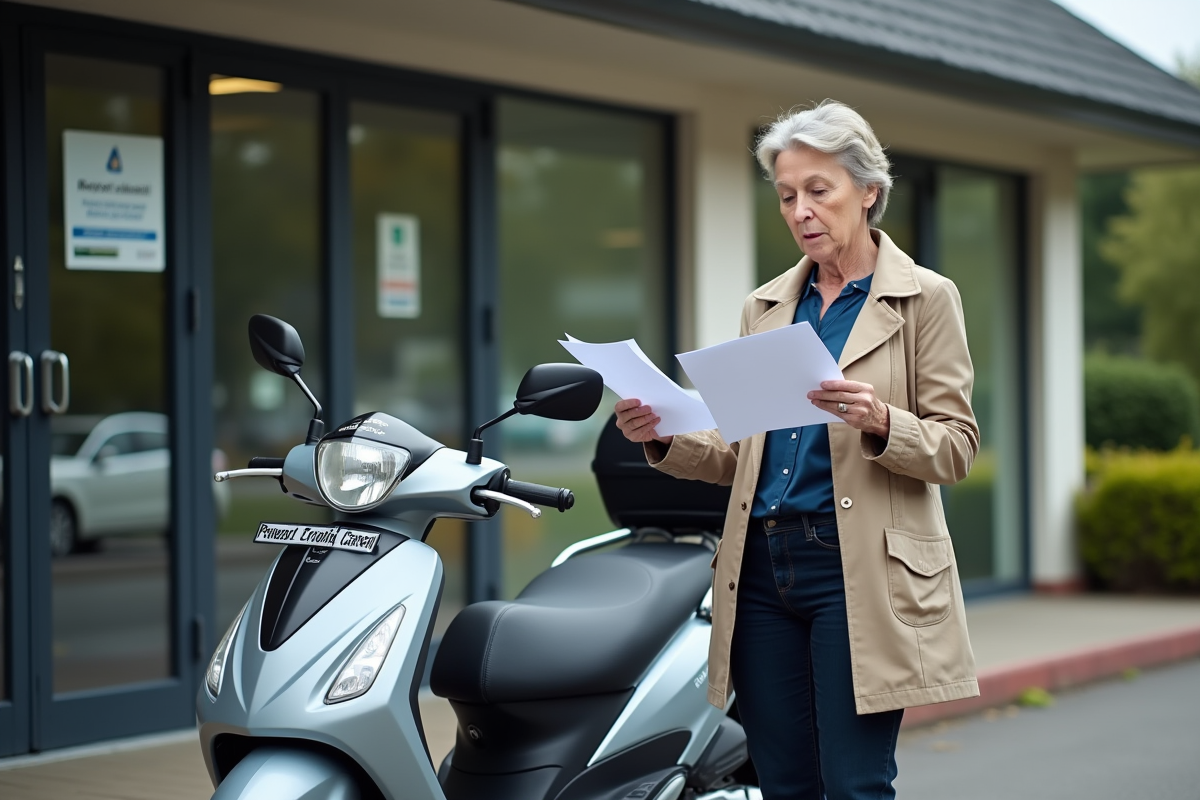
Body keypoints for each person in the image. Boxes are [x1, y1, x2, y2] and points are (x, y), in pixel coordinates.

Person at [614, 100, 980, 800]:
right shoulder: (766, 308)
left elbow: (956, 448)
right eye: (787, 196)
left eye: (818, 190)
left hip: (857, 567)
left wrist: (880, 420)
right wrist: (663, 435)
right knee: (783, 784)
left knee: (853, 784)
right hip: (759, 569)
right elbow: (739, 454)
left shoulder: (926, 299)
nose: (801, 211)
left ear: (868, 191)